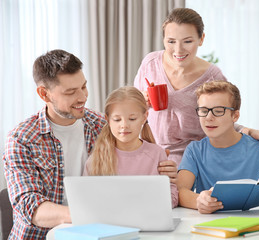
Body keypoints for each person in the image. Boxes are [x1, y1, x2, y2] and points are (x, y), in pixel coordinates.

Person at [2, 50, 175, 240]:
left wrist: (163, 170)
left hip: (100, 233)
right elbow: (30, 207)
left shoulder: (100, 124)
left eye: (83, 87)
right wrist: (96, 215)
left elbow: (135, 161)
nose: (83, 97)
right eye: (70, 92)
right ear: (44, 94)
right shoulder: (21, 139)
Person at [134, 8, 259, 167]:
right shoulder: (150, 63)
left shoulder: (213, 78)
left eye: (187, 41)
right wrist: (139, 103)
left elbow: (223, 120)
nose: (178, 50)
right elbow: (133, 106)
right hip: (149, 152)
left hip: (192, 157)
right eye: (171, 41)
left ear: (201, 39)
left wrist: (248, 131)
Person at [177, 81, 259, 214]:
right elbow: (180, 191)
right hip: (211, 225)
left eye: (218, 111)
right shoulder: (194, 150)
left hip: (255, 224)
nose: (208, 118)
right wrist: (199, 200)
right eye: (203, 111)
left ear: (235, 116)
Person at [83, 86, 178, 207]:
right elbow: (86, 198)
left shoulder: (157, 154)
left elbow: (172, 197)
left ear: (144, 117)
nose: (124, 125)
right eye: (117, 119)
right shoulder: (97, 159)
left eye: (132, 119)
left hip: (149, 220)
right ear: (107, 119)